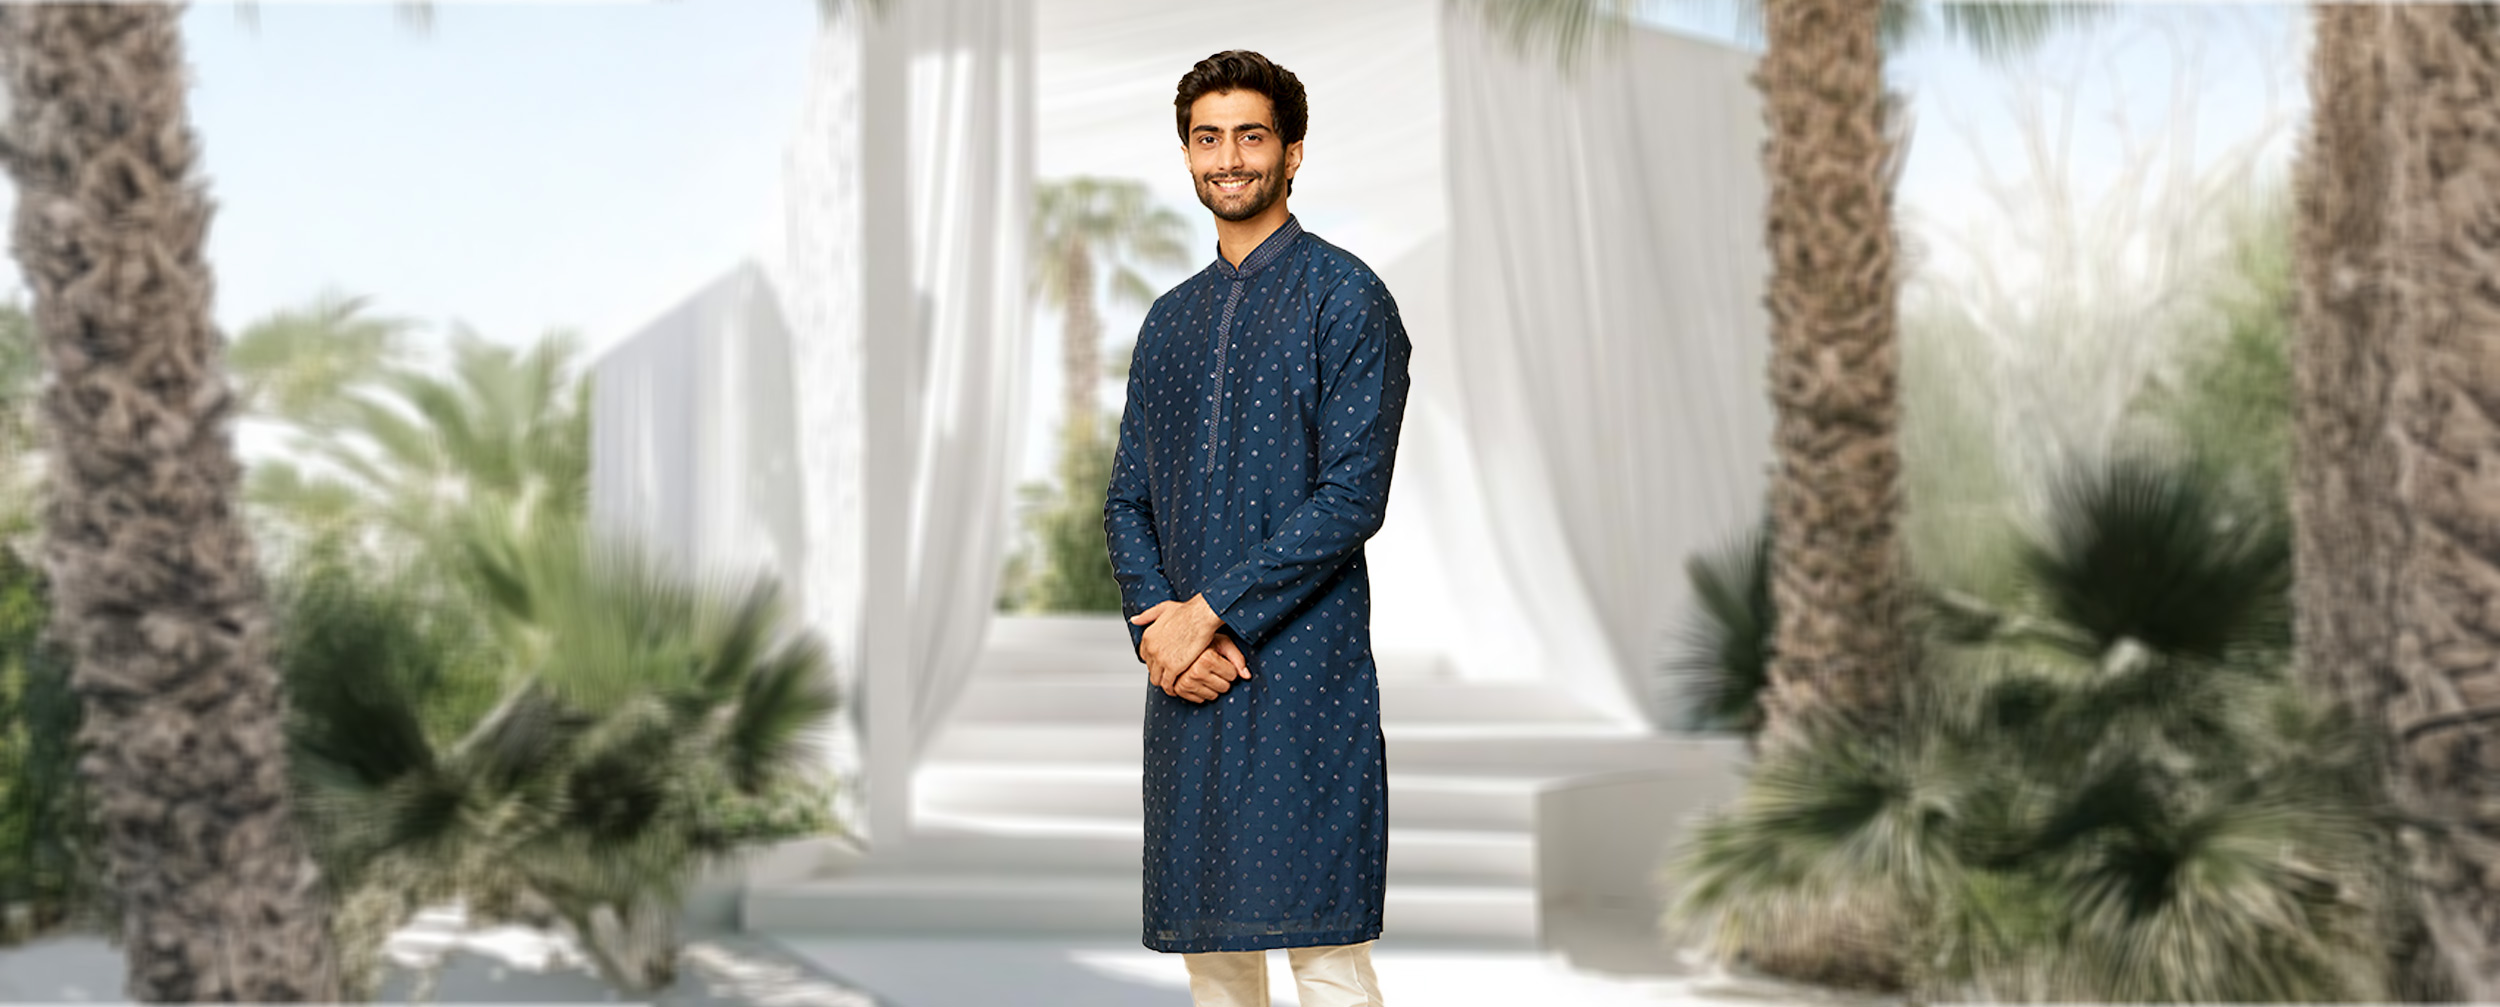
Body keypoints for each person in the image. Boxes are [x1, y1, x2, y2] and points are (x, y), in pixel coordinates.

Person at [1102, 48, 1411, 1007]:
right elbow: (1126, 500)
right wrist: (1161, 626)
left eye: (1250, 135)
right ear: (1187, 155)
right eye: (1207, 138)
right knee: (1217, 970)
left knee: (1325, 961)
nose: (1228, 157)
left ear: (1293, 152)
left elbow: (1353, 496)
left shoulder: (1346, 296)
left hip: (1303, 679)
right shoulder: (1169, 321)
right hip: (1188, 684)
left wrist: (1212, 612)